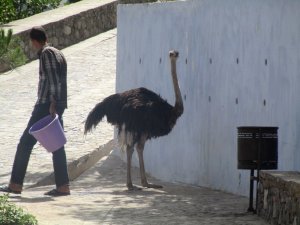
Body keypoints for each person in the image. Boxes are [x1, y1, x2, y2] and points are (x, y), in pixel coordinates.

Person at [0, 26, 70, 196]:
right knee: (57, 145)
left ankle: (15, 184)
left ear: (34, 40)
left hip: (46, 106)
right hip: (54, 105)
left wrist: (52, 104)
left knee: (25, 144)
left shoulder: (47, 53)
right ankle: (63, 186)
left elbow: (53, 80)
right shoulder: (57, 52)